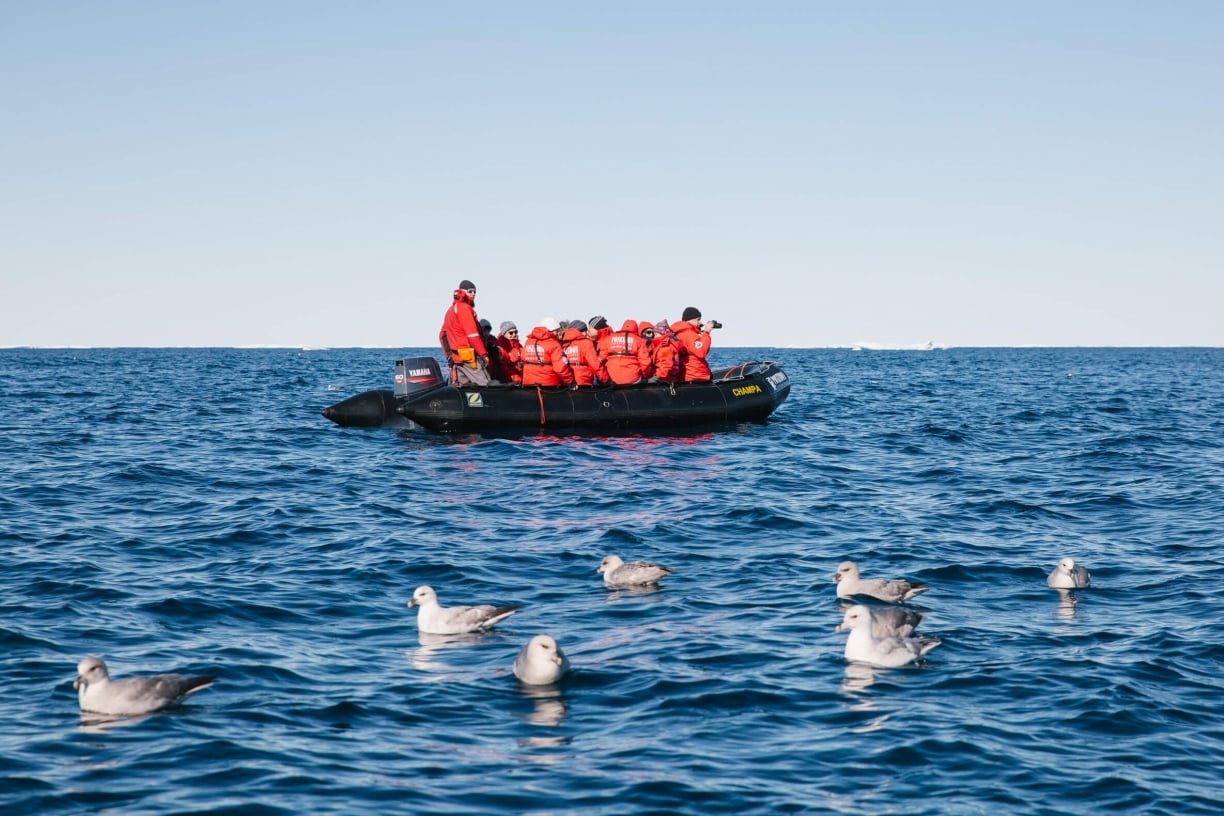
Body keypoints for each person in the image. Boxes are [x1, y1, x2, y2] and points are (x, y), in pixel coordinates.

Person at [438, 279, 492, 386]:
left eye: (475, 292)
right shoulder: (465, 309)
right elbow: (473, 335)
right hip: (470, 358)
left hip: (457, 359)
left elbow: (443, 336)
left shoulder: (450, 311)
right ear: (463, 291)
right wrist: (483, 354)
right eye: (470, 291)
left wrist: (449, 356)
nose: (473, 294)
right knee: (486, 386)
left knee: (463, 388)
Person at [521, 317, 574, 387]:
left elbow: (522, 357)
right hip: (548, 386)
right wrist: (570, 382)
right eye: (557, 330)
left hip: (528, 384)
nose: (558, 333)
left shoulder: (528, 341)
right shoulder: (554, 344)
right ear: (551, 330)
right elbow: (560, 368)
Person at [599, 319, 653, 385]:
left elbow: (601, 358)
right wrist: (645, 376)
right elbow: (645, 363)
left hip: (612, 378)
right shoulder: (639, 341)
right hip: (633, 379)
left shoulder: (608, 339)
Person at [671, 306, 717, 382]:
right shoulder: (689, 334)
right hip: (695, 374)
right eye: (698, 319)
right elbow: (701, 352)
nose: (700, 322)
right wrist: (706, 332)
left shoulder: (679, 333)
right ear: (690, 319)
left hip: (685, 374)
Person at [560, 319, 608, 386]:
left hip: (567, 382)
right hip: (583, 381)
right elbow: (595, 365)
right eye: (585, 331)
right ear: (581, 331)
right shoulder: (585, 343)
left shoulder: (563, 344)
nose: (587, 334)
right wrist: (606, 379)